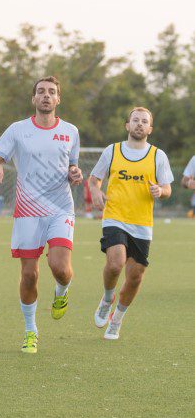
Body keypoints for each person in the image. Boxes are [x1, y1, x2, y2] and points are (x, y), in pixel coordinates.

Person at [0, 76, 83, 354]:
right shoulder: (17, 130)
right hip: (28, 210)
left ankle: (62, 292)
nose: (46, 96)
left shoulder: (71, 131)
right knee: (29, 275)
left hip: (61, 207)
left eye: (51, 92)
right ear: (34, 98)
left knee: (60, 268)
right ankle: (30, 331)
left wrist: (75, 173)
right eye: (41, 92)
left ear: (58, 99)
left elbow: (72, 167)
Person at [87, 107, 173, 341]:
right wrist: (95, 191)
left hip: (142, 223)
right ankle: (107, 299)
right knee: (116, 264)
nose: (139, 124)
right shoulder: (112, 151)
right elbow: (94, 180)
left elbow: (167, 188)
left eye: (144, 121)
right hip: (114, 216)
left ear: (150, 129)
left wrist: (160, 191)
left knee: (135, 277)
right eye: (135, 120)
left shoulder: (158, 156)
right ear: (127, 125)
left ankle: (117, 319)